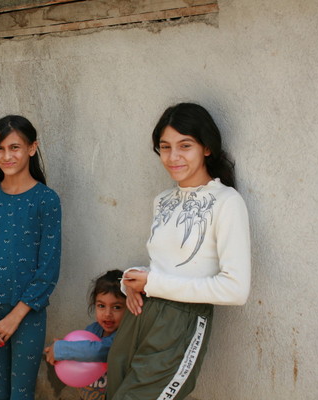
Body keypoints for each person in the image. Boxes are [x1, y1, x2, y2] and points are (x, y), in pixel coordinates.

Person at [107, 102, 251, 400]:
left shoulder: (227, 201)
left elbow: (236, 290)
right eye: (165, 147)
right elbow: (164, 266)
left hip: (181, 323)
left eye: (185, 145)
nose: (173, 157)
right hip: (141, 314)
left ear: (207, 148)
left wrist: (154, 284)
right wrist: (132, 284)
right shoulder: (163, 199)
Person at [0, 115, 62, 400]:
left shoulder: (46, 200)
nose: (7, 156)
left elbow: (49, 269)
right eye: (0, 149)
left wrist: (16, 316)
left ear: (32, 148)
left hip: (28, 314)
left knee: (20, 394)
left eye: (15, 147)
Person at [44, 269, 126, 400]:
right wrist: (63, 353)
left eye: (116, 307)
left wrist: (61, 349)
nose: (107, 314)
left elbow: (100, 351)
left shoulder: (125, 336)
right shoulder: (92, 330)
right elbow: (82, 349)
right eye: (101, 306)